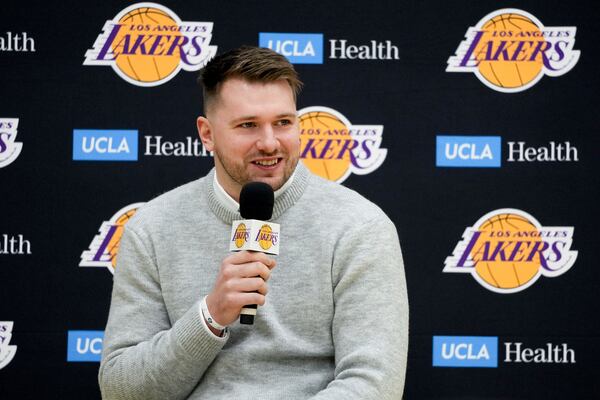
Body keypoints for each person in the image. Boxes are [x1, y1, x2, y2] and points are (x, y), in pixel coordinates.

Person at [98, 46, 408, 399]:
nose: (269, 142)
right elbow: (120, 389)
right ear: (207, 134)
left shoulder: (360, 227)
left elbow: (374, 386)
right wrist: (209, 316)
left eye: (283, 123)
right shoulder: (152, 228)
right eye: (248, 125)